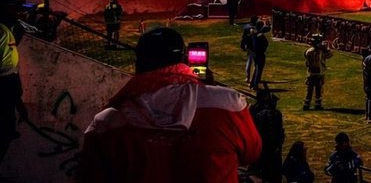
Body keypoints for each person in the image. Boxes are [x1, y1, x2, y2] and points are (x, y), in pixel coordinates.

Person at [76, 26, 261, 182]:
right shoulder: (227, 104)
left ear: (138, 65)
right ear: (184, 60)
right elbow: (252, 154)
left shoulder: (106, 124)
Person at [0, 0, 29, 169]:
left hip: (8, 90)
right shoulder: (3, 32)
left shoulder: (7, 30)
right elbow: (6, 70)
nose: (18, 13)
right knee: (5, 132)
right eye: (14, 9)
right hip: (4, 88)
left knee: (6, 131)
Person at [249, 87, 285, 183]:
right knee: (271, 172)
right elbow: (277, 133)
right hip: (269, 147)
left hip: (257, 144)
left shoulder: (253, 109)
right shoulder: (273, 114)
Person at [302, 33, 333, 111]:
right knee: (318, 90)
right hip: (319, 73)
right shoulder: (321, 52)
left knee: (309, 90)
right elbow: (330, 55)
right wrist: (326, 49)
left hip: (311, 73)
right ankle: (317, 105)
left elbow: (306, 60)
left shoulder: (308, 51)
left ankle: (306, 105)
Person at [250, 18, 271, 89]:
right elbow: (266, 43)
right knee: (258, 70)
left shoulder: (254, 33)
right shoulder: (261, 35)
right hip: (260, 54)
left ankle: (252, 83)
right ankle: (255, 85)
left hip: (254, 53)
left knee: (256, 69)